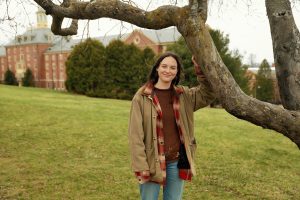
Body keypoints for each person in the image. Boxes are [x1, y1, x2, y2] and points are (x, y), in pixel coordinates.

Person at [128, 52, 215, 200]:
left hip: (176, 161)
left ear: (177, 72)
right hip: (151, 162)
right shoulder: (141, 97)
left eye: (173, 68)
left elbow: (208, 93)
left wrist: (200, 69)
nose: (168, 70)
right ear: (157, 68)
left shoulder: (184, 95)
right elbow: (135, 136)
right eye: (164, 66)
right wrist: (142, 167)